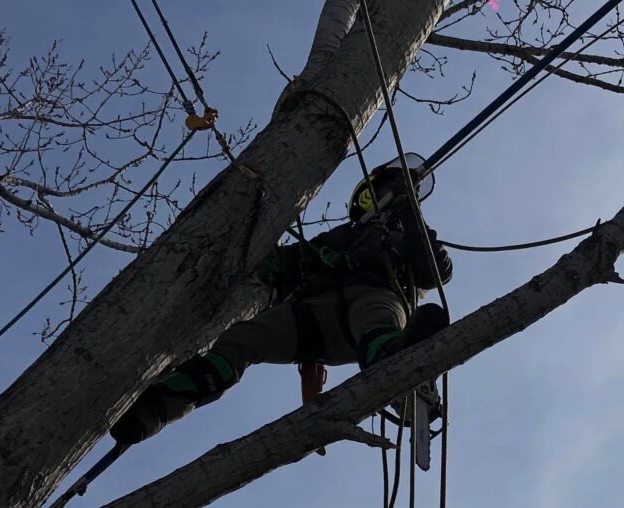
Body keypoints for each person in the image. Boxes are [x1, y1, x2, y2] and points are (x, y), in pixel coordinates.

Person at [111, 155, 452, 446]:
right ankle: (162, 404)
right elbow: (290, 261)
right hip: (312, 317)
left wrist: (410, 214)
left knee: (377, 321)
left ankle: (401, 378)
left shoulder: (406, 237)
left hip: (375, 299)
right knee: (243, 339)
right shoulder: (342, 235)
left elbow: (435, 270)